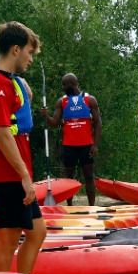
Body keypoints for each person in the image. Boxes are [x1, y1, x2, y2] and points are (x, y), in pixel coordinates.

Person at [0, 21, 47, 274]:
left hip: (13, 173)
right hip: (6, 175)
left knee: (37, 233)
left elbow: (19, 110)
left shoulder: (8, 81)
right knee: (8, 239)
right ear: (16, 50)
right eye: (29, 52)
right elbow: (3, 134)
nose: (31, 59)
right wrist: (25, 176)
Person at [50, 73, 101, 205]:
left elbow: (98, 123)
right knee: (68, 179)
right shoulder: (62, 101)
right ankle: (69, 206)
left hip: (86, 146)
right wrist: (46, 116)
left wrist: (95, 145)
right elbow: (54, 123)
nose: (62, 87)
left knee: (89, 176)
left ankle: (91, 207)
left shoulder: (90, 100)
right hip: (69, 146)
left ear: (72, 84)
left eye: (64, 84)